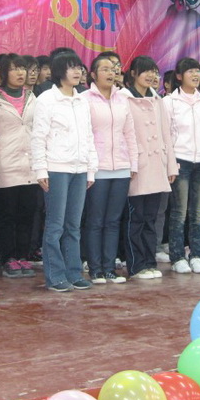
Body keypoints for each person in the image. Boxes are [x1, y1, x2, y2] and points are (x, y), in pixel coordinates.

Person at [31, 52, 98, 291]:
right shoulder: (46, 100)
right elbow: (38, 136)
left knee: (73, 225)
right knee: (55, 225)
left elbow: (88, 136)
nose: (77, 71)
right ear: (60, 71)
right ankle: (55, 276)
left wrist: (91, 170)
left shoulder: (82, 100)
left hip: (80, 169)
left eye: (79, 67)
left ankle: (74, 273)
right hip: (56, 169)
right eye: (71, 67)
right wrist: (41, 169)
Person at [80, 55, 138, 284]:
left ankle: (109, 268)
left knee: (113, 221)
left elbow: (130, 133)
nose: (110, 73)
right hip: (97, 168)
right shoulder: (84, 99)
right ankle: (95, 268)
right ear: (93, 74)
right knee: (95, 220)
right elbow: (84, 135)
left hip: (121, 167)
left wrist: (133, 164)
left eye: (113, 69)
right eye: (104, 69)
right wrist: (89, 166)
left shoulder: (123, 99)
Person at [162, 57, 200, 274]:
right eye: (190, 71)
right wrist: (170, 163)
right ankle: (177, 257)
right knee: (179, 212)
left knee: (197, 213)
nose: (195, 75)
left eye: (197, 71)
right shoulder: (169, 102)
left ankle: (196, 255)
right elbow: (166, 136)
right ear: (179, 76)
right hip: (181, 160)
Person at [121, 56, 177, 279]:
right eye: (145, 71)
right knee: (135, 218)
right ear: (133, 73)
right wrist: (130, 163)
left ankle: (149, 262)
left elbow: (166, 134)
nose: (151, 75)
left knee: (151, 218)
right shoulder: (124, 98)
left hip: (156, 166)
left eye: (154, 71)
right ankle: (136, 266)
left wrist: (170, 166)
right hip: (137, 167)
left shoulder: (157, 100)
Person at [0, 53, 38, 279]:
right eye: (14, 69)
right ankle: (8, 257)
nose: (20, 73)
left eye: (23, 69)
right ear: (3, 73)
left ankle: (23, 256)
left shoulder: (33, 97)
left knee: (27, 214)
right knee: (7, 215)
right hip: (6, 165)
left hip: (31, 166)